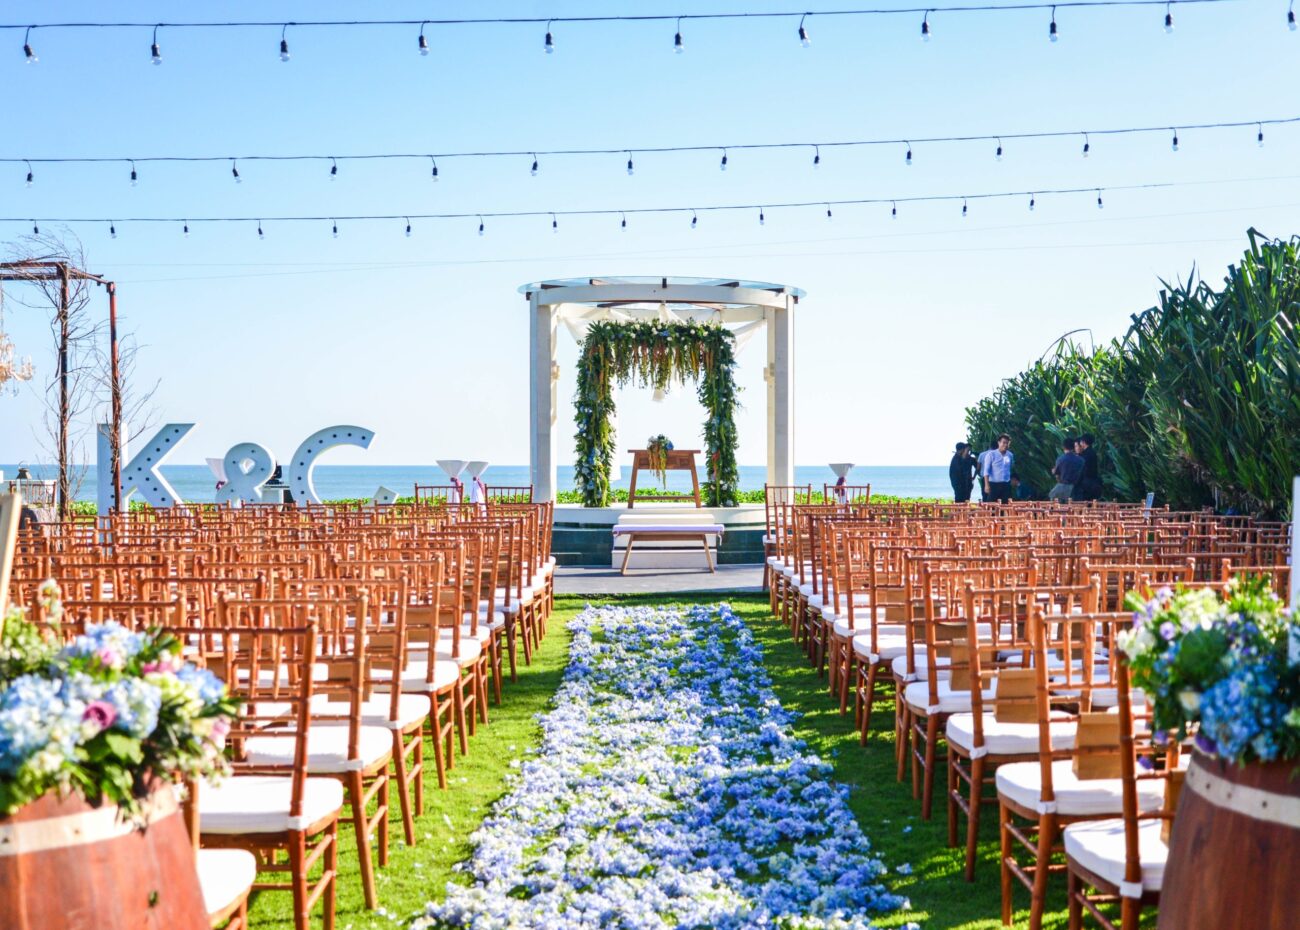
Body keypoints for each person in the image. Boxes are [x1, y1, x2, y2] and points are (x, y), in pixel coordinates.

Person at [1049, 437, 1085, 502]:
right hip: (1078, 488)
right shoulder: (1081, 460)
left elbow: (1057, 474)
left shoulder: (1060, 459)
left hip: (1064, 487)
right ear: (1074, 447)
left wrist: (1054, 471)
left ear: (1063, 447)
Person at [981, 434, 1014, 503]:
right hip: (993, 484)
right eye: (1004, 442)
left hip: (1006, 484)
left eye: (1007, 443)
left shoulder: (1010, 455)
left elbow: (1010, 467)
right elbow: (986, 471)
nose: (1005, 445)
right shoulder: (991, 455)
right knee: (991, 505)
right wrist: (986, 485)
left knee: (1005, 506)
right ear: (999, 443)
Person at [1073, 433, 1102, 501]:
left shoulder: (1085, 455)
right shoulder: (1092, 452)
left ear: (1083, 442)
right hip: (1094, 482)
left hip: (1086, 484)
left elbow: (1083, 470)